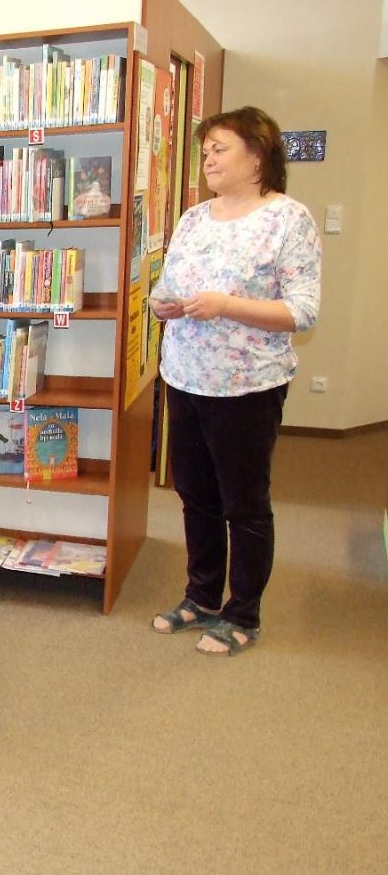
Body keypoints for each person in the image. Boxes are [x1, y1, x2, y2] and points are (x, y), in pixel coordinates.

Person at [150, 106, 321, 656]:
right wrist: (161, 304)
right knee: (195, 496)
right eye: (205, 151)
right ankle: (201, 596)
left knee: (243, 504)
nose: (208, 160)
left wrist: (226, 305)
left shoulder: (288, 219)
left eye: (220, 149)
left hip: (247, 386)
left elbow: (302, 311)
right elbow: (169, 285)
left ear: (258, 155)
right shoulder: (194, 218)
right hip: (185, 376)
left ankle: (243, 612)